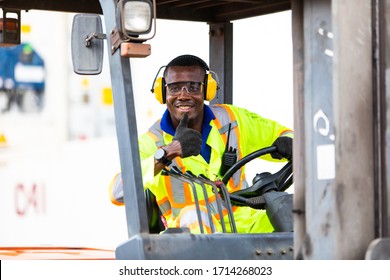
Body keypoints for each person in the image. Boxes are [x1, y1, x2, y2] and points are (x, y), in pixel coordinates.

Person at [109, 54, 293, 234]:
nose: (183, 95)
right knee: (193, 214)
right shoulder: (152, 142)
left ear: (207, 90)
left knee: (300, 213)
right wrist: (169, 152)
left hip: (246, 226)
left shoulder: (232, 120)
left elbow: (285, 135)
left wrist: (290, 142)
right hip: (189, 239)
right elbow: (118, 193)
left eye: (193, 86)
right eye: (174, 88)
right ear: (163, 93)